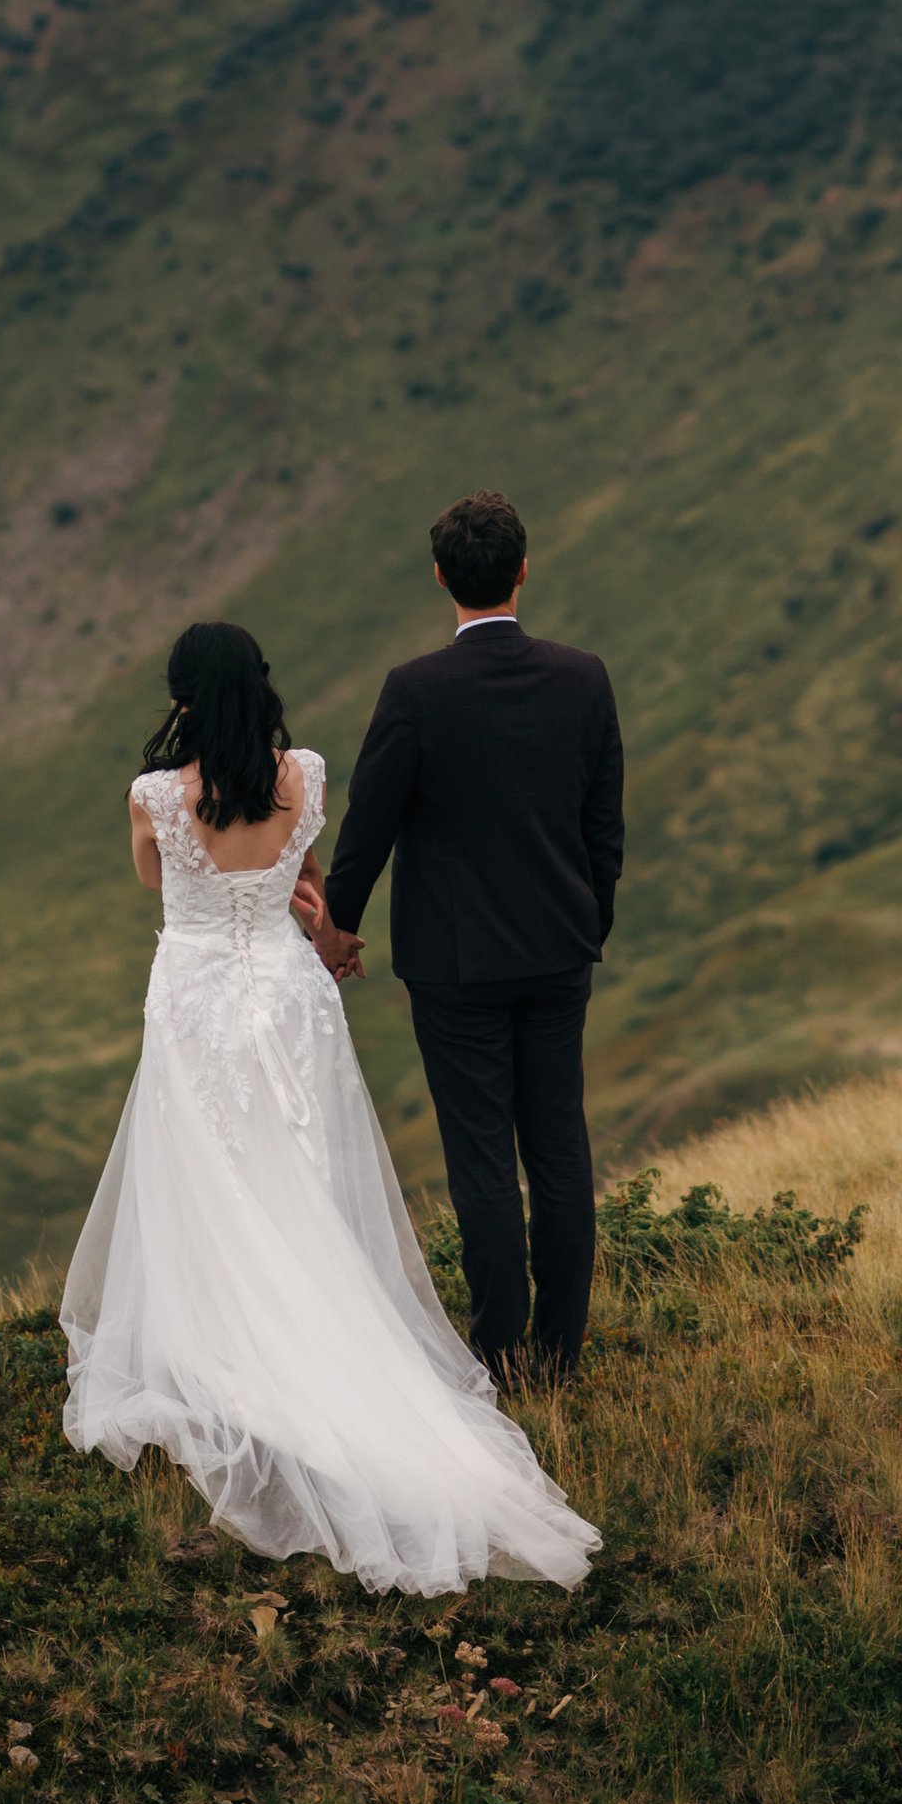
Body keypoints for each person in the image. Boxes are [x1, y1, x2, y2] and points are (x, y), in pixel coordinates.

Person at [60, 615, 597, 1592]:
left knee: (207, 1174)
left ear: (181, 695)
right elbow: (297, 870)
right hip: (287, 992)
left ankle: (221, 1340)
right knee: (294, 1179)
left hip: (196, 997)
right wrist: (301, 902)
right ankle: (335, 1334)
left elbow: (157, 880)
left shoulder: (151, 797)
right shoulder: (300, 774)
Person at [312, 490, 624, 1386]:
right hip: (559, 949)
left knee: (482, 1153)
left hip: (454, 964)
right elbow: (604, 829)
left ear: (441, 574)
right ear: (524, 568)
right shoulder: (584, 677)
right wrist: (586, 922)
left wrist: (339, 933)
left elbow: (367, 830)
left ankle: (498, 1351)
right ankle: (560, 1357)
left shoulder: (415, 691)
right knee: (559, 1143)